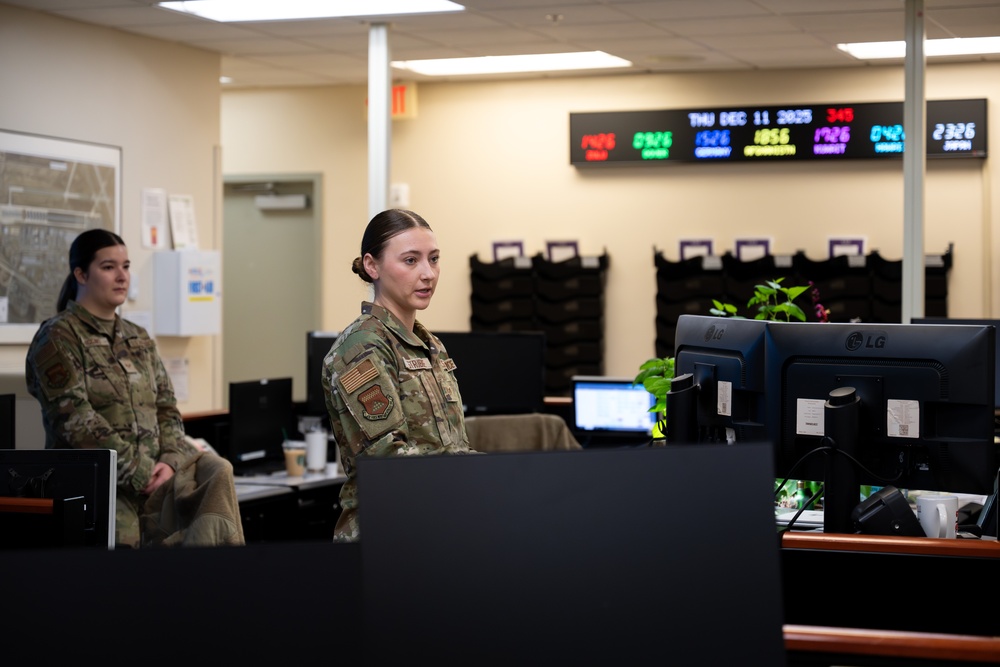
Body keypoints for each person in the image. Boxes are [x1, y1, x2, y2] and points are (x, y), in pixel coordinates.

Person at [25, 229, 244, 548]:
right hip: (98, 485)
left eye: (126, 266)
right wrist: (142, 473)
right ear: (81, 274)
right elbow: (74, 419)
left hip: (157, 478)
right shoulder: (58, 337)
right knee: (124, 577)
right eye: (108, 267)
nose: (121, 276)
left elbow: (167, 409)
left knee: (216, 476)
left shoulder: (137, 336)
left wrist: (168, 462)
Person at [322, 209, 479, 542]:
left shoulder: (428, 344)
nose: (428, 274)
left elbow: (452, 446)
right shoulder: (362, 348)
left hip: (443, 519)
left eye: (434, 259)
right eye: (411, 261)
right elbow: (388, 459)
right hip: (390, 531)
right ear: (372, 266)